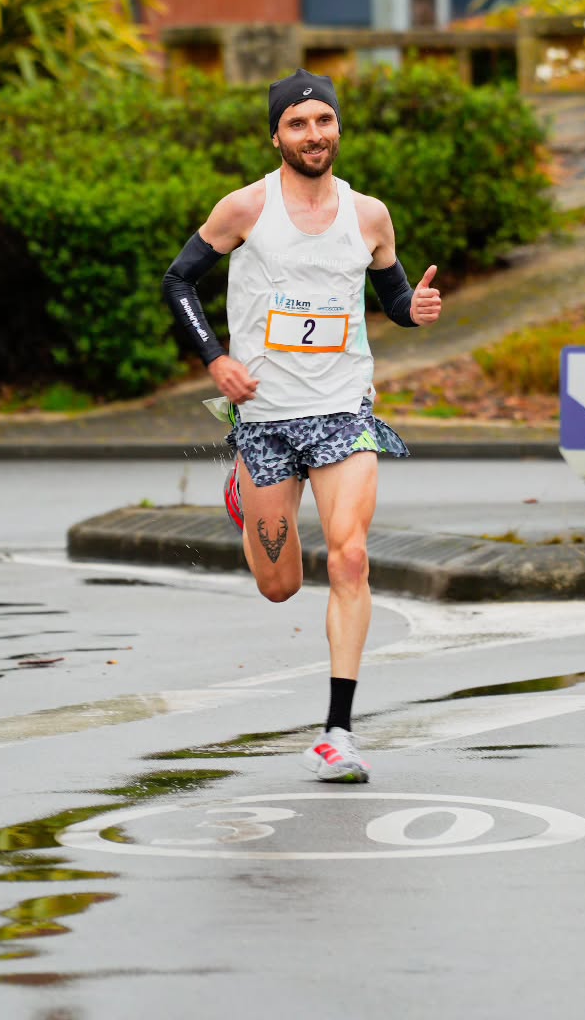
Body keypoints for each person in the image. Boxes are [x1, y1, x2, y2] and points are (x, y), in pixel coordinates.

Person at [163, 70, 442, 783]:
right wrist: (217, 360)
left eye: (323, 120)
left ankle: (338, 733)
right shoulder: (246, 208)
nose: (313, 133)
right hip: (263, 415)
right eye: (298, 123)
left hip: (344, 409)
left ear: (338, 128)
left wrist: (415, 310)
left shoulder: (369, 215)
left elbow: (393, 293)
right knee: (280, 585)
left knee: (350, 558)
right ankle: (244, 495)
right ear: (277, 135)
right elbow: (178, 281)